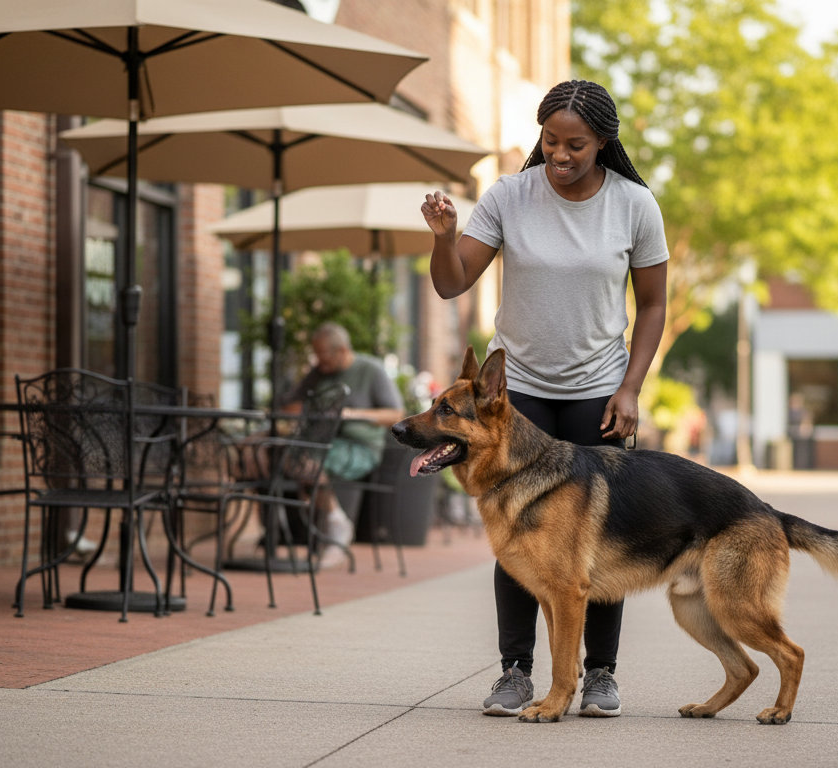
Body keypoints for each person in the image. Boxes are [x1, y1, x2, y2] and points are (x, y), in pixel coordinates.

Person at [421, 79, 669, 718]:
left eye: (575, 145)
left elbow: (653, 305)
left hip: (598, 392)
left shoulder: (634, 204)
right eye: (550, 140)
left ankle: (601, 673)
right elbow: (451, 283)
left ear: (603, 142)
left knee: (599, 541)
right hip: (516, 397)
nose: (559, 154)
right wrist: (445, 237)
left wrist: (631, 386)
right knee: (515, 537)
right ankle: (515, 671)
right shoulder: (510, 195)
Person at [278, 322, 404, 569]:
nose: (319, 362)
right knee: (269, 454)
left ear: (342, 350)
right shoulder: (319, 372)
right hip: (319, 442)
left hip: (360, 447)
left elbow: (396, 414)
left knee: (307, 461)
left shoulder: (371, 370)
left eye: (323, 356)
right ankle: (309, 524)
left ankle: (336, 525)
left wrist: (351, 414)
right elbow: (292, 405)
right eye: (316, 355)